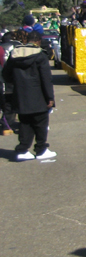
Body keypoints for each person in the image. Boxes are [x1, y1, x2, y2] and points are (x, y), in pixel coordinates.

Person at [2, 30, 56, 161]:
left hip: (20, 95)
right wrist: (50, 98)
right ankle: (41, 149)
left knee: (25, 123)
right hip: (38, 95)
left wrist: (16, 84)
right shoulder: (40, 55)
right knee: (41, 124)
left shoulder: (14, 54)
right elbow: (46, 78)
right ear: (38, 41)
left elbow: (5, 74)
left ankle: (23, 150)